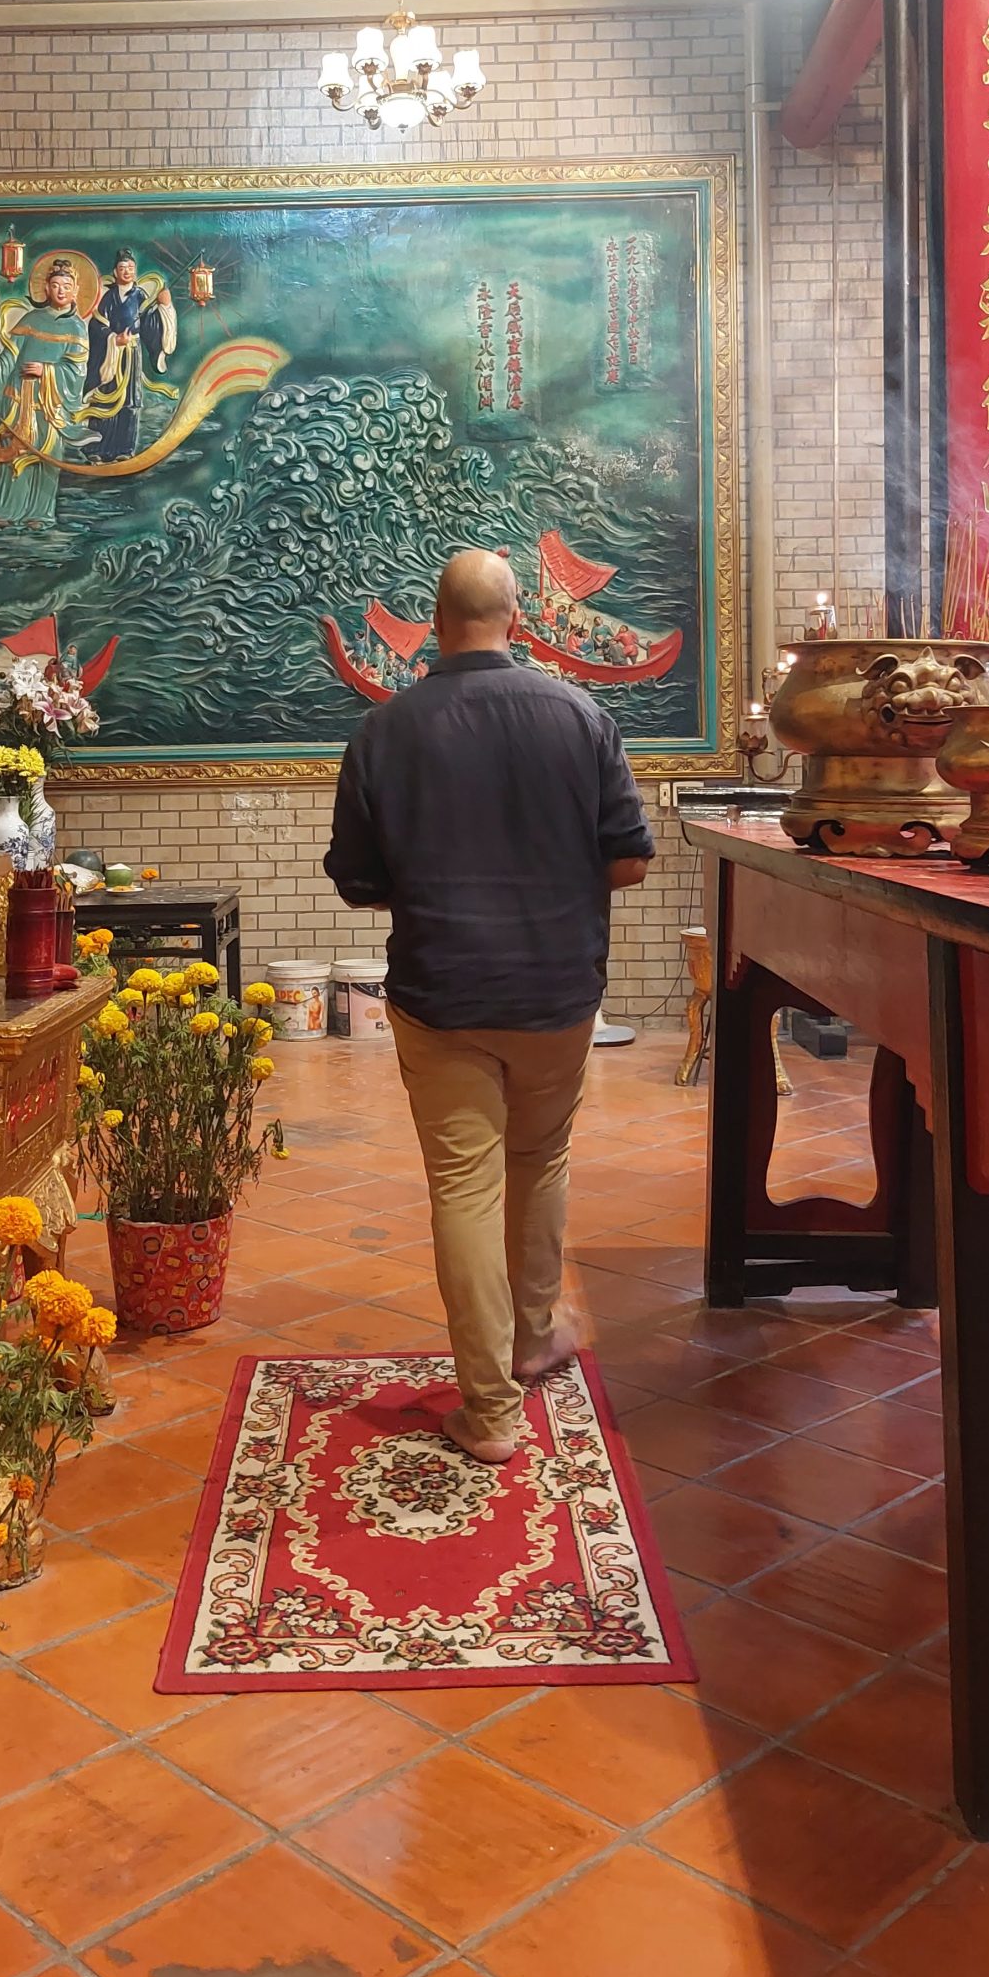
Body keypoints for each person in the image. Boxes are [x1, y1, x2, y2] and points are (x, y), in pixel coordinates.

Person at [325, 548, 656, 1463]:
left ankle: (492, 1410)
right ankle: (534, 1335)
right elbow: (628, 859)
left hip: (442, 994)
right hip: (557, 990)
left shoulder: (384, 731)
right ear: (519, 618)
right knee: (541, 1161)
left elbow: (356, 881)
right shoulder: (582, 713)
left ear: (437, 621)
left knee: (463, 1186)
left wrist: (434, 873)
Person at [0, 258, 91, 530]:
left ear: (76, 290)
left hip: (50, 405)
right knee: (15, 455)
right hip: (19, 401)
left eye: (67, 286)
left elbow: (77, 370)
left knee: (46, 458)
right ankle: (7, 508)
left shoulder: (76, 328)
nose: (61, 291)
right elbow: (8, 359)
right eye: (55, 285)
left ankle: (40, 514)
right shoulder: (31, 319)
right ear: (46, 289)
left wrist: (47, 371)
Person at [80, 248, 175, 463]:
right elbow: (96, 326)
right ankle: (96, 447)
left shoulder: (140, 296)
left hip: (131, 355)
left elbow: (151, 325)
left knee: (130, 401)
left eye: (131, 268)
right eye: (123, 268)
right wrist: (113, 338)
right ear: (115, 272)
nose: (127, 272)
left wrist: (165, 306)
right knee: (103, 399)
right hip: (109, 356)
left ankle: (125, 449)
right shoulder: (108, 297)